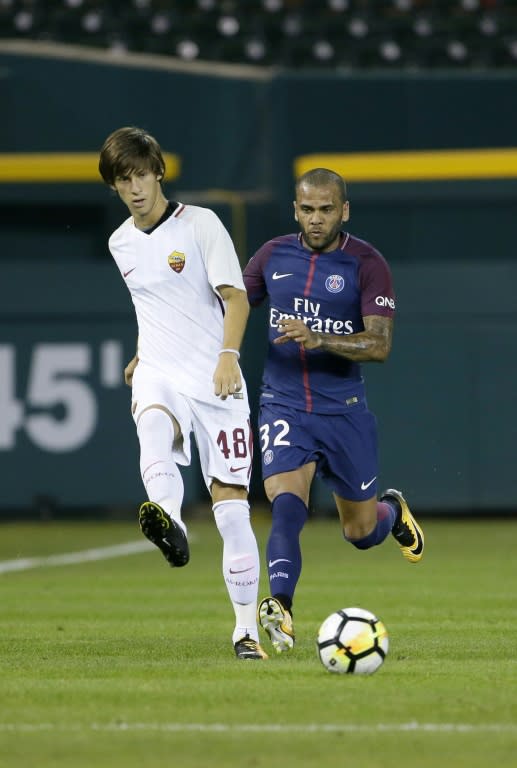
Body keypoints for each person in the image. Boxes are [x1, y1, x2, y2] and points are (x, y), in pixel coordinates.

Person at [98, 126, 267, 660]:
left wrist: (228, 357)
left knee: (232, 509)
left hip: (216, 376)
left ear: (158, 174)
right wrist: (141, 354)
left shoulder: (201, 224)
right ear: (114, 188)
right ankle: (166, 518)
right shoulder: (119, 242)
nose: (135, 188)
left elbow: (235, 299)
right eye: (124, 180)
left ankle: (246, 631)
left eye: (142, 175)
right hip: (160, 370)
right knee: (151, 422)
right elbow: (152, 307)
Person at [242, 167, 424, 654]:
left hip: (343, 411)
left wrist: (319, 337)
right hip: (281, 404)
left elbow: (380, 344)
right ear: (294, 210)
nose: (316, 219)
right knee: (284, 505)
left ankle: (392, 511)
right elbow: (233, 307)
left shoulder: (367, 263)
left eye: (326, 210)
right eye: (307, 210)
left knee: (360, 532)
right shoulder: (271, 255)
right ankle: (280, 606)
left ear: (344, 210)